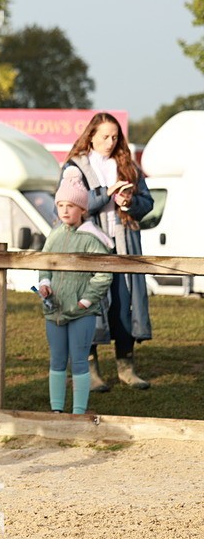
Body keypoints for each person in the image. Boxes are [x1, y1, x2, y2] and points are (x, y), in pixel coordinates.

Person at [62, 113, 155, 391]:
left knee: (124, 308)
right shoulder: (75, 167)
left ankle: (127, 368)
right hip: (88, 249)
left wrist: (127, 202)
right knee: (89, 307)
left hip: (124, 248)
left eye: (115, 137)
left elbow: (147, 203)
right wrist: (106, 192)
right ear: (91, 136)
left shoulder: (128, 166)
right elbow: (69, 203)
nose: (110, 142)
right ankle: (88, 371)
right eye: (104, 136)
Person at [37, 173, 113, 414]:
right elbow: (44, 264)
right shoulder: (55, 235)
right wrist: (45, 283)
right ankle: (56, 410)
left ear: (82, 209)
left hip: (82, 313)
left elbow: (103, 274)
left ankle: (79, 411)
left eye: (70, 205)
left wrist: (86, 300)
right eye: (60, 205)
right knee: (57, 360)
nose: (65, 210)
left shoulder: (92, 239)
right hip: (55, 310)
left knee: (79, 361)